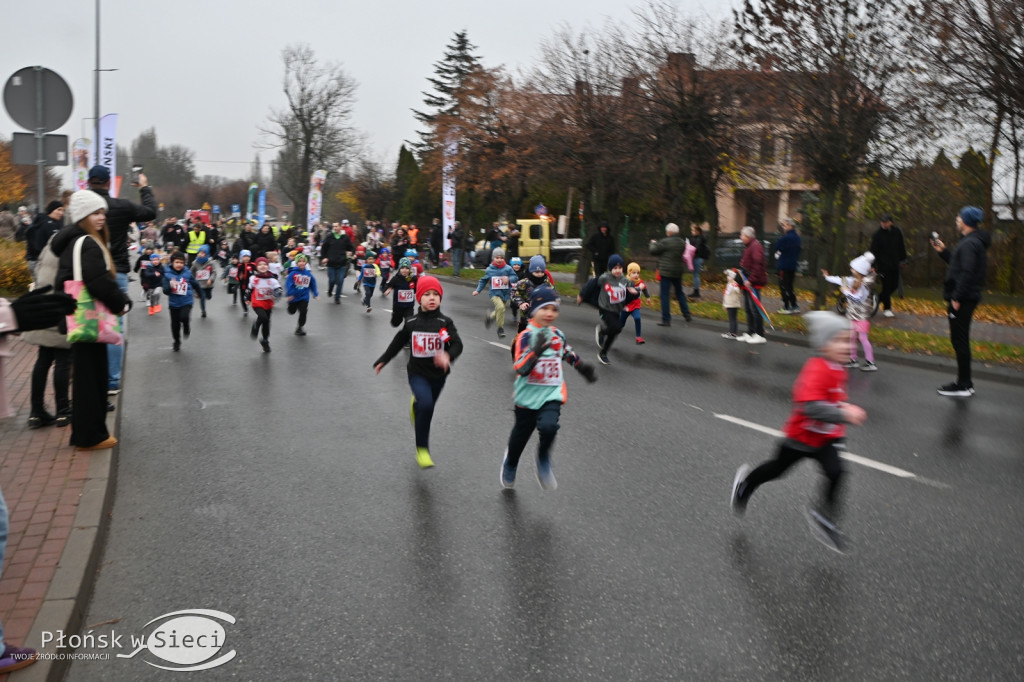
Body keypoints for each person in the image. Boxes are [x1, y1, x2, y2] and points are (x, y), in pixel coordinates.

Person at [730, 311, 867, 553]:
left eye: (850, 341)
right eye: (841, 340)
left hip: (826, 438)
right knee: (777, 470)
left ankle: (823, 518)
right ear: (824, 345)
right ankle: (746, 484)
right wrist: (844, 413)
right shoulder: (816, 369)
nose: (848, 346)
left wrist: (842, 408)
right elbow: (810, 406)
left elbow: (833, 399)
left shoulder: (838, 368)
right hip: (800, 437)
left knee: (837, 473)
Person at [52, 190, 131, 450]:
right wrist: (121, 302)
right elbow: (96, 281)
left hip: (79, 316)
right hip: (86, 318)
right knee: (89, 380)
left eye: (103, 213)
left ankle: (91, 433)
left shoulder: (76, 240)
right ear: (83, 216)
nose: (101, 218)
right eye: (96, 213)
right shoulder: (86, 242)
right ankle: (89, 436)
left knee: (91, 377)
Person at [501, 287, 598, 490]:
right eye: (544, 308)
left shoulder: (557, 335)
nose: (549, 313)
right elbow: (520, 366)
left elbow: (566, 351)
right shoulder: (525, 336)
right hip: (527, 395)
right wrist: (536, 351)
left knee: (549, 427)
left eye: (554, 309)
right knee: (521, 435)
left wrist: (581, 367)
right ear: (534, 309)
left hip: (551, 393)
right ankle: (511, 461)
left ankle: (543, 458)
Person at [373, 276, 463, 469]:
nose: (432, 298)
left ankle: (416, 406)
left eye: (436, 295)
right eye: (427, 294)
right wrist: (383, 359)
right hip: (417, 373)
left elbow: (455, 344)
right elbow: (398, 342)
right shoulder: (412, 322)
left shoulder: (443, 323)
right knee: (427, 406)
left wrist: (448, 356)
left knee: (424, 405)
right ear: (419, 298)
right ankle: (422, 449)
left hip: (439, 375)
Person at [87, 165, 157, 395]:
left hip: (86, 271)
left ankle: (88, 378)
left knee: (87, 323)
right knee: (114, 326)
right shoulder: (121, 206)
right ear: (108, 183)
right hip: (116, 270)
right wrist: (144, 187)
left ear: (89, 182)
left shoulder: (80, 205)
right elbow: (150, 212)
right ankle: (112, 381)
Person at [932, 206, 990, 397]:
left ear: (965, 221)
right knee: (959, 340)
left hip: (963, 299)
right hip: (965, 297)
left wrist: (957, 297)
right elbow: (960, 267)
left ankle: (964, 384)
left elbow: (967, 273)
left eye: (959, 217)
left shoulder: (970, 244)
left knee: (960, 340)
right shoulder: (971, 242)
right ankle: (964, 382)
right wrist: (944, 252)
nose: (956, 219)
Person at [22, 235, 74, 429]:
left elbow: (37, 268)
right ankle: (63, 411)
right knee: (63, 359)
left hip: (43, 304)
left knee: (43, 359)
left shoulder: (52, 240)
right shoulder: (74, 242)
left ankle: (36, 412)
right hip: (61, 306)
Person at [822, 252, 878, 371]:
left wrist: (846, 292)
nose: (851, 270)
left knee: (863, 338)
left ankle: (870, 362)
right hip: (852, 315)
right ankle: (853, 360)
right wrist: (827, 277)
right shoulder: (852, 280)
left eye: (853, 269)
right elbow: (839, 280)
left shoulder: (864, 287)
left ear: (859, 271)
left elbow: (858, 299)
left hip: (862, 316)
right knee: (852, 337)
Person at [587, 254, 638, 365]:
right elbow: (595, 283)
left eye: (619, 268)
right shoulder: (605, 278)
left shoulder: (624, 280)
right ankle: (602, 332)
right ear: (610, 269)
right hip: (605, 308)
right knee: (616, 326)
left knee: (616, 330)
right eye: (615, 268)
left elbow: (632, 286)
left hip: (616, 310)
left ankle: (603, 353)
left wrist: (634, 290)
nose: (618, 270)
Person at [649, 223, 692, 326]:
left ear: (668, 232)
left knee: (664, 295)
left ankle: (666, 319)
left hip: (666, 272)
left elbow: (653, 251)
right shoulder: (682, 243)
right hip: (678, 271)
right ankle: (687, 314)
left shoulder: (665, 242)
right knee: (679, 293)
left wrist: (653, 243)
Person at [472, 248, 518, 338]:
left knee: (499, 310)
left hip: (505, 293)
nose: (499, 260)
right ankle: (500, 329)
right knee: (500, 307)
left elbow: (515, 277)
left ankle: (490, 317)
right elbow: (483, 280)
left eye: (501, 258)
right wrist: (478, 290)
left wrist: (508, 279)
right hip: (495, 293)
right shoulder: (490, 269)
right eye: (497, 258)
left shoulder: (508, 268)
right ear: (493, 258)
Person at [869, 213, 907, 318]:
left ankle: (876, 300)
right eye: (882, 221)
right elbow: (873, 251)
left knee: (894, 285)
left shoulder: (897, 232)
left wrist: (903, 260)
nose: (883, 223)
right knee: (886, 286)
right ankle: (887, 308)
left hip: (894, 264)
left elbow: (901, 246)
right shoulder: (877, 235)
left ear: (891, 222)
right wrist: (872, 265)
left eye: (886, 222)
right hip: (882, 265)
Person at [738, 226, 768, 344]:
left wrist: (751, 279)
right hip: (748, 282)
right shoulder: (750, 246)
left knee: (755, 309)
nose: (740, 237)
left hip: (753, 283)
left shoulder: (755, 246)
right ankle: (751, 332)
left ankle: (760, 334)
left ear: (748, 236)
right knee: (748, 309)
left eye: (742, 235)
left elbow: (758, 265)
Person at [162, 252, 196, 352]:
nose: (179, 264)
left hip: (186, 300)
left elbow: (195, 283)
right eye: (177, 262)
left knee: (184, 317)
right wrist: (170, 286)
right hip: (174, 303)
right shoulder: (167, 275)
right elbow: (165, 291)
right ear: (172, 263)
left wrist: (201, 293)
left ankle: (186, 326)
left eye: (181, 262)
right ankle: (176, 341)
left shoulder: (188, 272)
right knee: (175, 325)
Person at [24, 200, 65, 280]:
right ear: (52, 210)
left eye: (63, 210)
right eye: (59, 210)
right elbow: (46, 246)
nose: (61, 213)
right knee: (43, 288)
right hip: (39, 262)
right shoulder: (47, 224)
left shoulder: (48, 222)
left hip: (37, 261)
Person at [249, 257, 282, 352]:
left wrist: (276, 293)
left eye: (264, 264)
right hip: (257, 302)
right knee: (263, 317)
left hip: (268, 303)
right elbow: (249, 289)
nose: (262, 266)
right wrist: (247, 298)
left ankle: (265, 340)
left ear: (268, 266)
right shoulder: (254, 278)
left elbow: (279, 289)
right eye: (260, 265)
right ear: (256, 267)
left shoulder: (272, 279)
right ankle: (255, 326)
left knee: (267, 323)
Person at [285, 252, 318, 336]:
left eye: (303, 261)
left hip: (304, 297)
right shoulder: (293, 273)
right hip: (294, 297)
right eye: (299, 261)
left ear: (306, 263)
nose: (302, 263)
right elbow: (289, 284)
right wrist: (290, 294)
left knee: (303, 311)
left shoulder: (308, 274)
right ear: (296, 263)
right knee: (292, 311)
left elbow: (313, 283)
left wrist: (315, 294)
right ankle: (290, 308)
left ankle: (300, 327)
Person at [320, 222, 354, 304]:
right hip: (331, 263)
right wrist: (324, 257)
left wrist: (351, 252)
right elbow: (324, 248)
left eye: (336, 226)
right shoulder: (329, 236)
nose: (335, 228)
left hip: (342, 263)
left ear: (340, 227)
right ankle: (330, 290)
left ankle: (337, 297)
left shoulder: (345, 237)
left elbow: (351, 247)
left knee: (340, 281)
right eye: (334, 226)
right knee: (332, 280)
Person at [774, 217, 802, 314]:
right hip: (793, 265)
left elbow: (777, 248)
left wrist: (778, 254)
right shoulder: (798, 238)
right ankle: (794, 305)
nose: (783, 227)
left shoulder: (784, 238)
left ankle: (786, 307)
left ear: (790, 226)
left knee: (783, 286)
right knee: (790, 286)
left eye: (784, 225)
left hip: (783, 265)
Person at [621, 262, 652, 344]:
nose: (636, 275)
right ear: (629, 273)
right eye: (634, 273)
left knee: (637, 318)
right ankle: (608, 333)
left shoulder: (640, 281)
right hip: (626, 306)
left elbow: (644, 289)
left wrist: (648, 297)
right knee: (620, 324)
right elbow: (632, 291)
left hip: (635, 305)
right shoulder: (625, 281)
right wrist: (639, 288)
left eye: (638, 273)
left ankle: (638, 337)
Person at [383, 257, 417, 328]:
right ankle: (397, 318)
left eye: (407, 268)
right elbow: (388, 285)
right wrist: (388, 289)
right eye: (402, 268)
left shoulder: (413, 278)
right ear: (399, 269)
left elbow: (417, 289)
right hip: (398, 307)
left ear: (410, 269)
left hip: (409, 306)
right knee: (395, 323)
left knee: (409, 323)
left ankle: (406, 334)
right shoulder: (396, 279)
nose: (404, 270)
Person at [190, 245, 216, 318]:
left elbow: (214, 272)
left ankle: (207, 295)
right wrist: (192, 280)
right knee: (203, 297)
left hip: (208, 284)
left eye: (202, 253)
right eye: (199, 253)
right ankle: (203, 311)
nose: (200, 254)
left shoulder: (210, 262)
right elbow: (191, 272)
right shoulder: (195, 263)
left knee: (209, 296)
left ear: (206, 254)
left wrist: (211, 279)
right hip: (199, 284)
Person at [687, 225, 710, 299]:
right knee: (695, 275)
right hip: (697, 257)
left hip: (697, 258)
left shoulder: (699, 239)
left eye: (693, 230)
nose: (692, 232)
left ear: (697, 231)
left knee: (696, 275)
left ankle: (696, 292)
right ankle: (696, 291)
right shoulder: (698, 238)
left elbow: (696, 248)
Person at [721, 268, 743, 340]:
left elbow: (737, 291)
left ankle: (733, 333)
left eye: (729, 276)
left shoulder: (734, 284)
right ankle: (731, 331)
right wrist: (724, 305)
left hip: (733, 304)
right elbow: (726, 295)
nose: (728, 277)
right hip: (729, 304)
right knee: (731, 319)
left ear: (733, 277)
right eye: (727, 276)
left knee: (733, 318)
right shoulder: (728, 284)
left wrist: (735, 286)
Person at [236, 250, 255, 316]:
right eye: (244, 256)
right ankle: (245, 309)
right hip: (243, 285)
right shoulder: (240, 265)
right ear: (241, 257)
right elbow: (237, 275)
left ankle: (255, 305)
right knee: (242, 298)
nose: (246, 258)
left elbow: (258, 271)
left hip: (251, 285)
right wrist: (239, 278)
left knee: (252, 297)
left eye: (248, 256)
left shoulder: (252, 265)